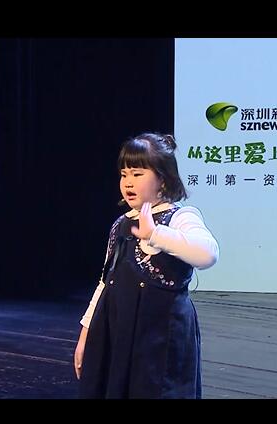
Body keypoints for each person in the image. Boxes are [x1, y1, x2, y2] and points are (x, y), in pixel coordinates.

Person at [74, 132, 219, 398]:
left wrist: (155, 234)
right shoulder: (121, 223)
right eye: (124, 174)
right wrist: (86, 334)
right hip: (117, 329)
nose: (128, 182)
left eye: (138, 174)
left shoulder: (179, 217)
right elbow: (105, 282)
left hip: (159, 336)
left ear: (162, 179)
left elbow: (208, 254)